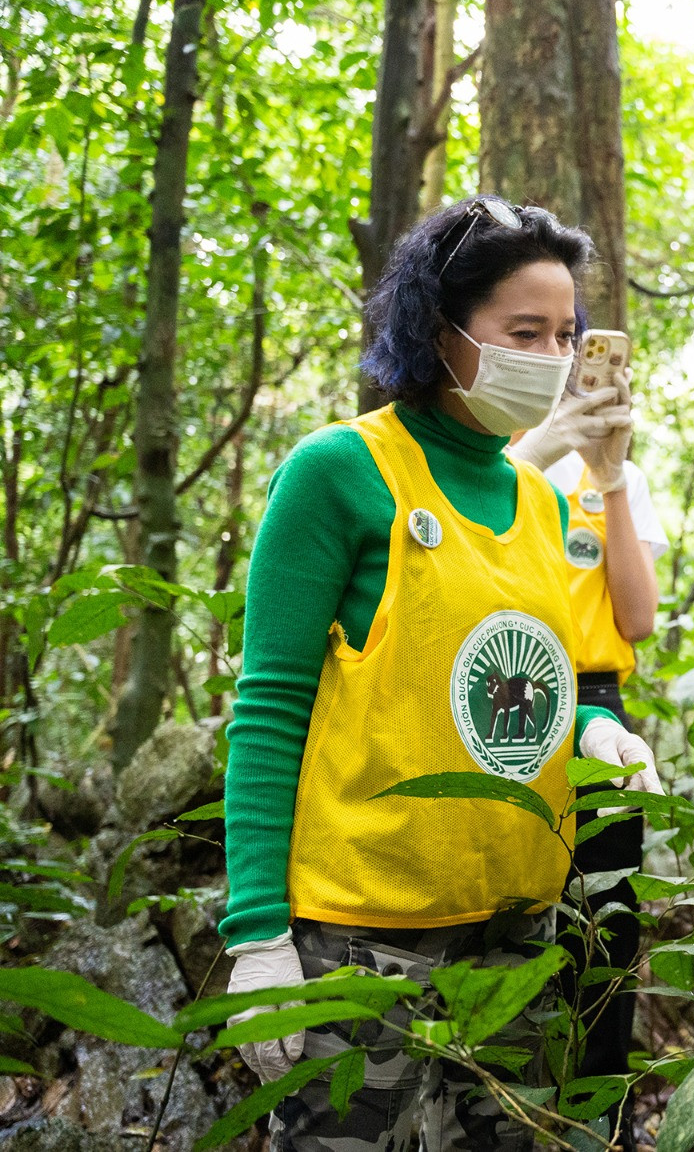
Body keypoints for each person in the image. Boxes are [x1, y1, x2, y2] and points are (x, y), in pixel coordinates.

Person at [218, 196, 663, 1149]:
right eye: (523, 333)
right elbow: (268, 709)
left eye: (566, 335)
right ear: (439, 330)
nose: (550, 358)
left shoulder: (541, 503)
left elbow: (519, 680)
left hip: (517, 937)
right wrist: (256, 935)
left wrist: (593, 730)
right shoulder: (338, 470)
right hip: (362, 939)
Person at [511, 360, 670, 1078]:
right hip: (504, 694)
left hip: (598, 704)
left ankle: (602, 1109)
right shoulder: (490, 459)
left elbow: (637, 619)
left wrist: (610, 479)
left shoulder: (613, 481)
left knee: (606, 922)